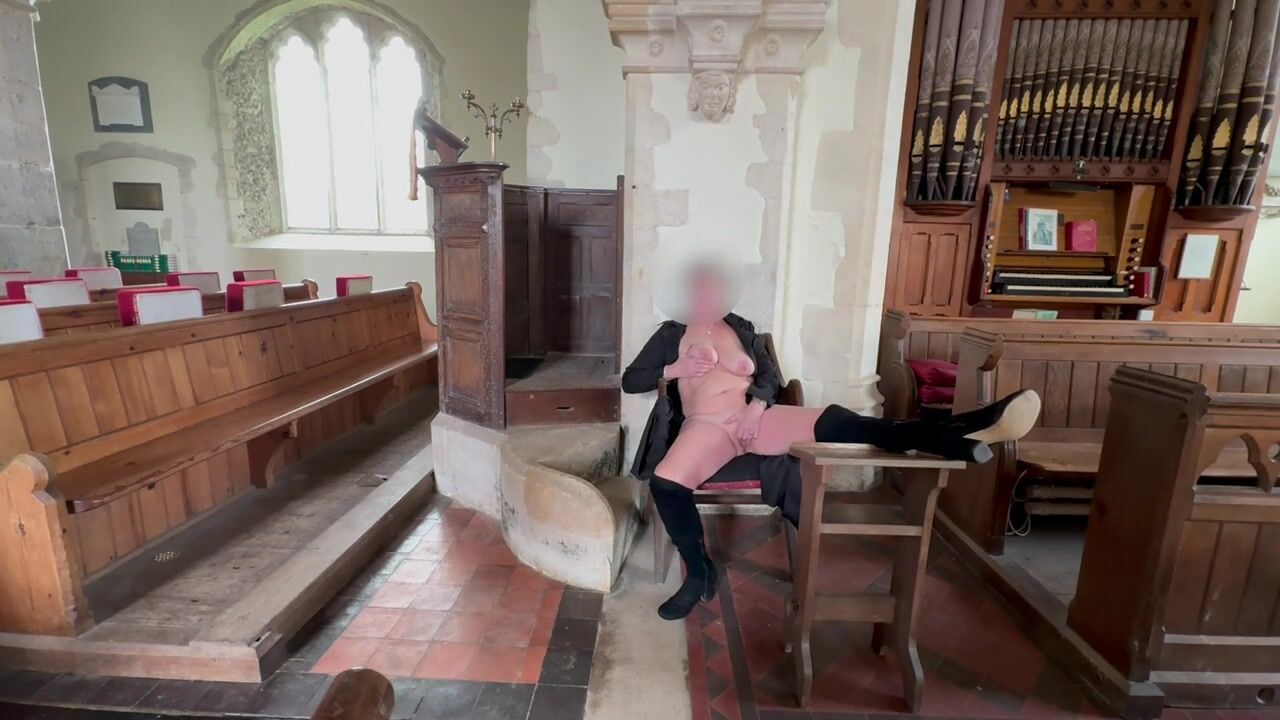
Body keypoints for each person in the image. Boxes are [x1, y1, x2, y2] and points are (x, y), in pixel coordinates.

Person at [623, 257, 1040, 620]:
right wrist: (675, 370)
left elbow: (769, 376)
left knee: (836, 420)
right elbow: (631, 380)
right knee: (666, 482)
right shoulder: (671, 334)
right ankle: (699, 573)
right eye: (699, 289)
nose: (707, 296)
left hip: (754, 418)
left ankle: (960, 430)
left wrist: (757, 407)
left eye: (713, 289)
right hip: (708, 427)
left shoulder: (741, 328)